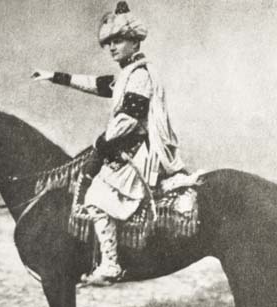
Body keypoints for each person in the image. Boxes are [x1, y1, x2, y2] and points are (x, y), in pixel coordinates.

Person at [32, 1, 184, 285]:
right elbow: (98, 85)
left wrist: (101, 143)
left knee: (96, 199)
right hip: (126, 149)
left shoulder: (140, 75)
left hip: (139, 154)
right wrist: (55, 77)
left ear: (134, 41)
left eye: (118, 41)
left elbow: (128, 119)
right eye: (109, 42)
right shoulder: (128, 74)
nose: (112, 47)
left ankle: (111, 264)